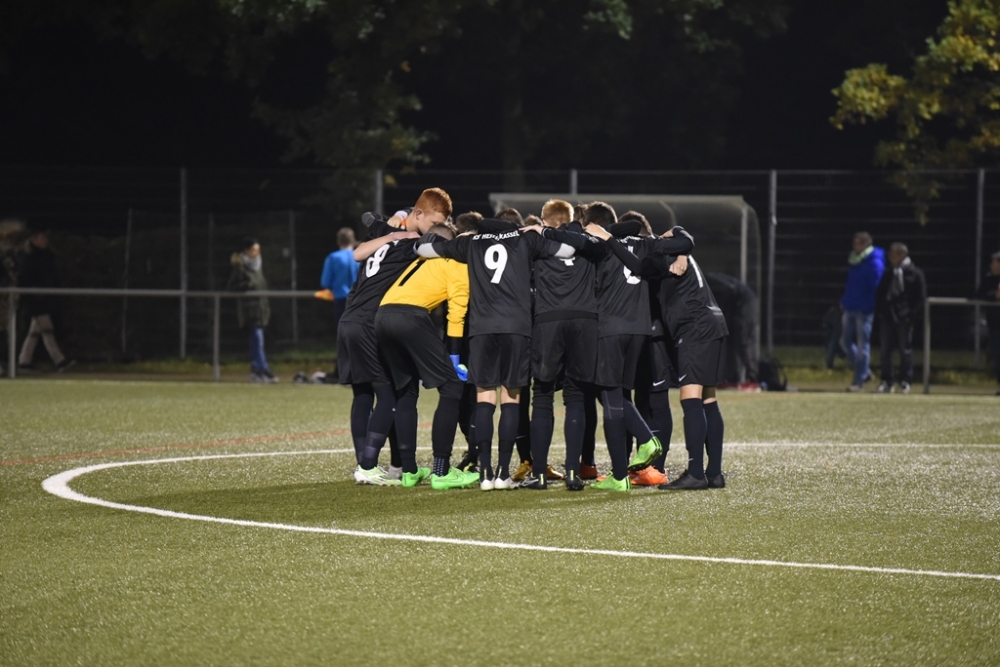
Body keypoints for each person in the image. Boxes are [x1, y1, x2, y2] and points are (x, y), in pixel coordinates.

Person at [415, 214, 581, 491]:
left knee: (484, 398)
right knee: (511, 398)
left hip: (482, 329)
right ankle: (503, 473)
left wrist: (456, 238)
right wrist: (539, 232)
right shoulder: (525, 239)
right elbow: (568, 250)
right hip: (516, 328)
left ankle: (485, 474)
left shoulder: (471, 242)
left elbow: (423, 249)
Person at [346, 188, 455, 481]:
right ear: (418, 215)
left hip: (351, 317)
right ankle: (368, 466)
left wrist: (398, 217)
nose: (435, 229)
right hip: (371, 321)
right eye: (434, 223)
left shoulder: (388, 233)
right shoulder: (413, 242)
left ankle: (395, 465)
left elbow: (364, 234)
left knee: (369, 393)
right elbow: (438, 243)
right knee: (390, 395)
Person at [373, 222, 481, 490]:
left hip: (382, 315)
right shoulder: (458, 262)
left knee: (406, 390)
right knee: (452, 387)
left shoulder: (421, 259)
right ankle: (441, 471)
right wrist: (454, 357)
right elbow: (456, 313)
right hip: (410, 316)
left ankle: (409, 470)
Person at [17, 230, 74, 372]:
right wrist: (36, 294)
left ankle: (24, 360)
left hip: (44, 298)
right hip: (35, 299)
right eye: (41, 238)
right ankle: (60, 360)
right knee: (47, 329)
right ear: (34, 239)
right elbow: (24, 280)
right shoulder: (30, 258)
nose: (45, 240)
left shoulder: (45, 256)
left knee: (36, 331)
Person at [874, 243, 926, 394]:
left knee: (905, 350)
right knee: (885, 350)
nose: (891, 257)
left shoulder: (915, 273)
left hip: (904, 317)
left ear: (902, 254)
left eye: (894, 254)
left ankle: (905, 381)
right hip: (888, 316)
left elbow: (920, 297)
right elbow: (881, 293)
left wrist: (910, 313)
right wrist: (883, 310)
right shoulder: (889, 273)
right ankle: (887, 381)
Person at [840, 231, 885, 392]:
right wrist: (845, 300)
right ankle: (864, 371)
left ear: (866, 244)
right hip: (850, 305)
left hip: (864, 309)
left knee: (862, 346)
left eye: (857, 243)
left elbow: (876, 286)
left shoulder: (874, 262)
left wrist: (870, 304)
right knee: (844, 342)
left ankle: (859, 381)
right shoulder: (855, 259)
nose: (854, 246)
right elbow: (851, 284)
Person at [227, 237, 276, 383]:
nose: (257, 253)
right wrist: (248, 286)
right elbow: (232, 287)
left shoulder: (258, 266)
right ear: (247, 251)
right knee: (257, 339)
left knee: (257, 340)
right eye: (254, 250)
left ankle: (257, 369)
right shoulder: (240, 267)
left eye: (258, 250)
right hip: (250, 310)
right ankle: (262, 369)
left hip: (260, 309)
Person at [320, 227, 360, 333]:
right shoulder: (360, 257)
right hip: (358, 299)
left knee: (342, 333)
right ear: (353, 240)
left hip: (340, 299)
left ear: (338, 241)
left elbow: (325, 282)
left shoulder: (333, 258)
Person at [976, 250, 1000, 396]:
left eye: (994, 262)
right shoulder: (988, 279)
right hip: (995, 324)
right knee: (998, 356)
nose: (992, 265)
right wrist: (994, 296)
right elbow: (979, 294)